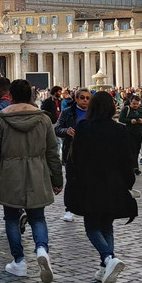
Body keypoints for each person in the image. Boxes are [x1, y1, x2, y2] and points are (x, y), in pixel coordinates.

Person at [0, 79, 62, 283]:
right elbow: (53, 152)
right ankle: (42, 249)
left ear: (11, 96)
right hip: (38, 172)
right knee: (37, 217)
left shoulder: (1, 119)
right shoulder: (43, 119)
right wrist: (57, 178)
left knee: (11, 218)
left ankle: (19, 261)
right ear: (31, 96)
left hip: (9, 173)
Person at [63, 91, 135, 283]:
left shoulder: (84, 127)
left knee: (92, 226)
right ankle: (105, 267)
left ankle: (108, 258)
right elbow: (128, 160)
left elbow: (75, 158)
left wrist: (73, 180)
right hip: (114, 183)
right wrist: (127, 183)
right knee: (107, 225)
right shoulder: (120, 130)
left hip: (90, 183)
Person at [55, 89, 91, 220]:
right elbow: (57, 129)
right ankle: (70, 209)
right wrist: (66, 131)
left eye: (88, 98)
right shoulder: (67, 112)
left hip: (90, 151)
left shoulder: (94, 113)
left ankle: (87, 205)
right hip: (71, 150)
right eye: (82, 97)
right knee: (71, 180)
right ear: (76, 99)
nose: (85, 100)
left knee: (88, 180)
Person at [118, 95, 142, 175]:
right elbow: (121, 119)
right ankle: (134, 167)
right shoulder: (126, 109)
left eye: (137, 104)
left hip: (138, 132)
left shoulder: (141, 110)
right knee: (131, 149)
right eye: (134, 104)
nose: (135, 105)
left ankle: (134, 165)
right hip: (129, 132)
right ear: (130, 102)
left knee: (137, 150)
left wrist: (141, 120)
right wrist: (130, 121)